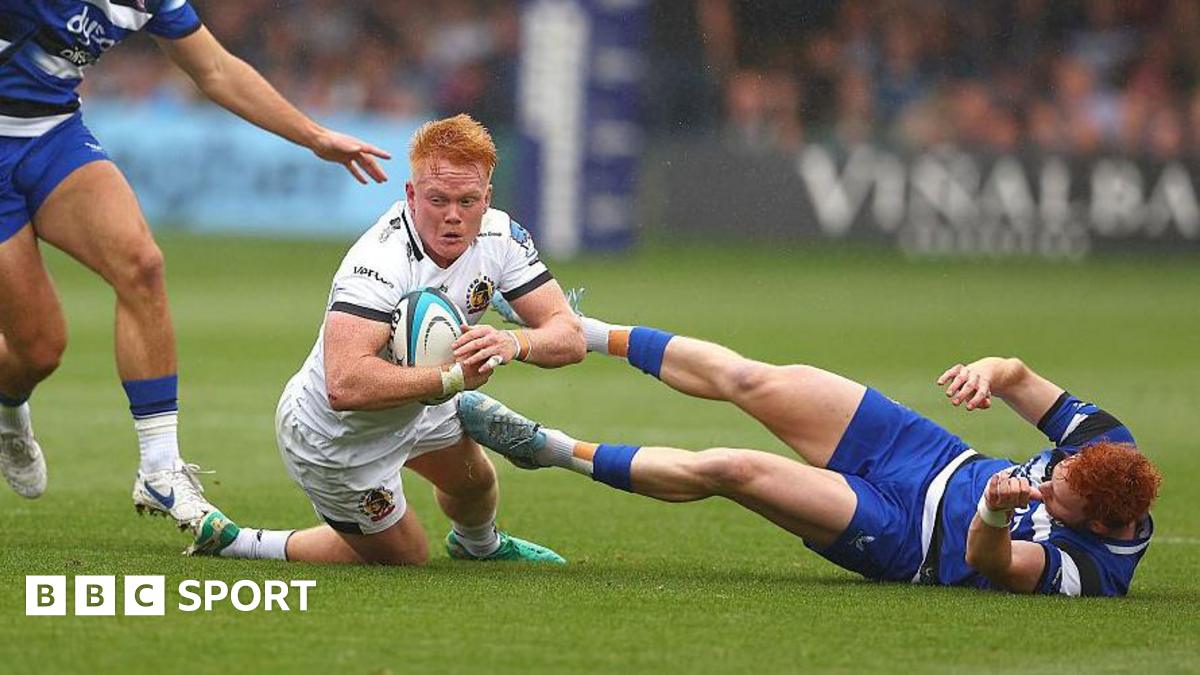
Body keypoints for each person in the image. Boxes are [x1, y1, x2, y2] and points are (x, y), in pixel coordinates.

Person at [0, 1, 390, 530]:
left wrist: (314, 135)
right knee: (40, 347)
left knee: (142, 265)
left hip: (52, 134)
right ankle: (8, 407)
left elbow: (214, 69)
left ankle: (161, 471)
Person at [455, 316, 1162, 596]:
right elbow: (1018, 373)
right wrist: (989, 371)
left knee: (730, 468)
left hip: (903, 538)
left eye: (1056, 496)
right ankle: (584, 327)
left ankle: (548, 449)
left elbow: (991, 562)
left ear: (1094, 522)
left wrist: (993, 508)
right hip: (929, 452)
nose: (1050, 480)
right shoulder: (1106, 448)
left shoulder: (1091, 571)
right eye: (1054, 471)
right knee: (755, 378)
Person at [188, 114, 586, 565]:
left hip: (421, 406)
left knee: (474, 481)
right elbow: (345, 384)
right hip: (338, 437)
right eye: (438, 199)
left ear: (487, 198)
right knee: (405, 556)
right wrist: (452, 379)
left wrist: (515, 344)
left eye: (467, 200)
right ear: (412, 195)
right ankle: (240, 542)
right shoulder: (378, 262)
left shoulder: (500, 236)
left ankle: (480, 547)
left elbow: (567, 335)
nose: (453, 216)